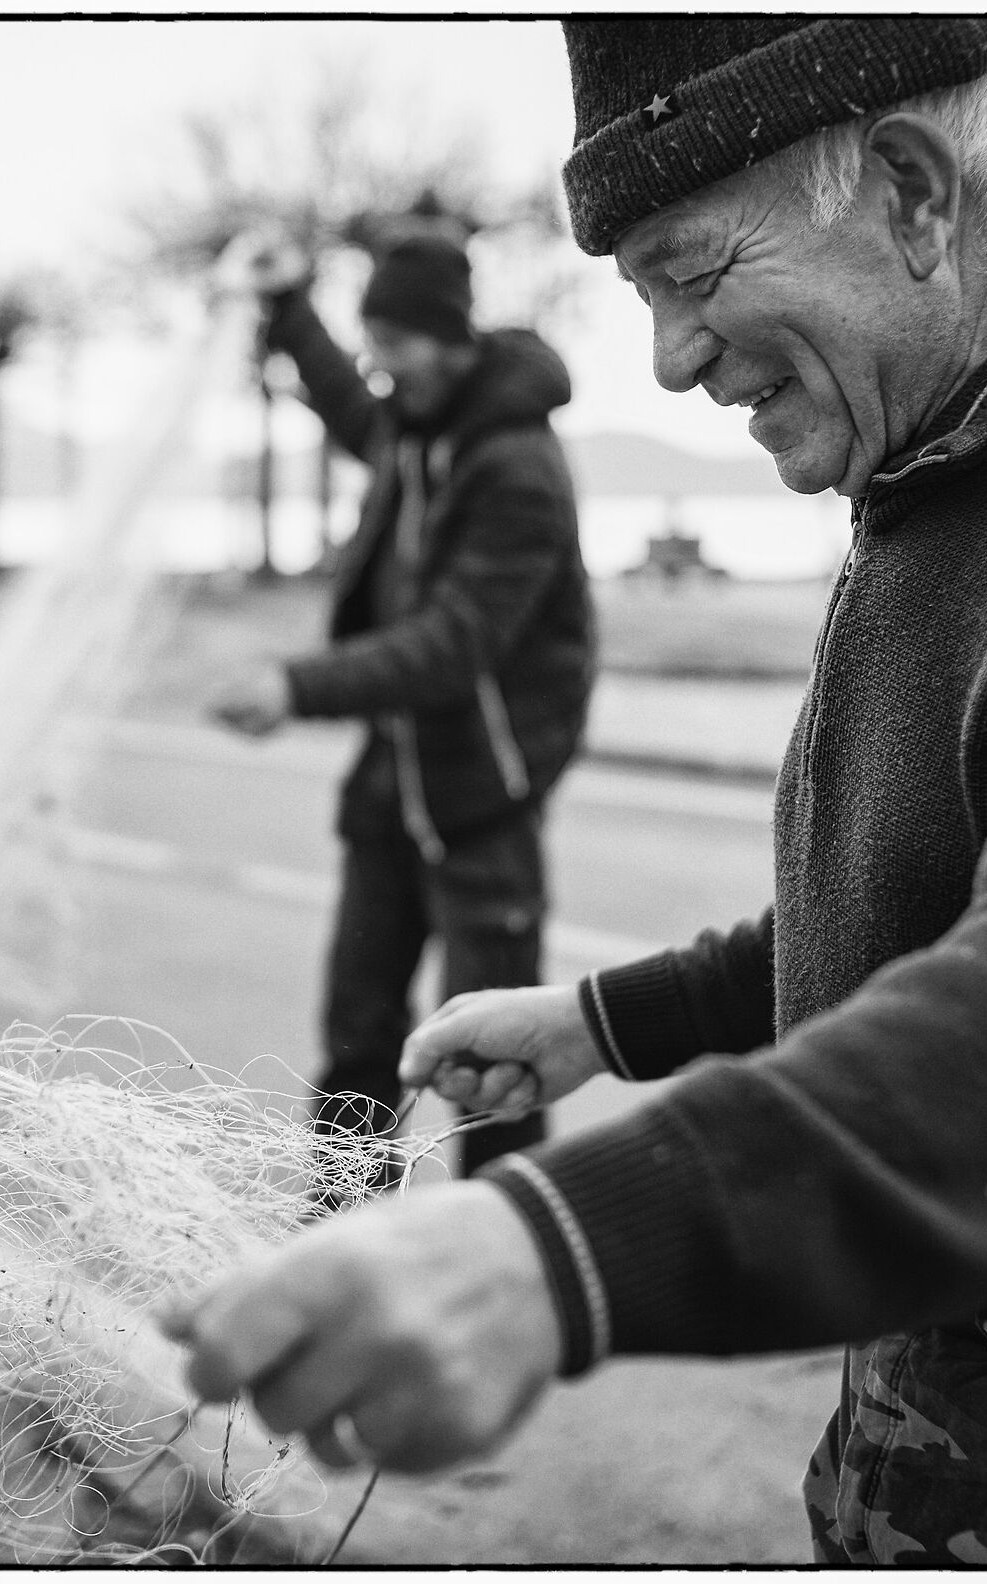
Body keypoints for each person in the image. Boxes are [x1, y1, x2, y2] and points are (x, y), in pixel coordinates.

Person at [165, 17, 987, 1567]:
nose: (668, 359)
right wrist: (611, 1019)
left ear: (912, 194)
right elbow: (946, 903)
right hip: (954, 1398)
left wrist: (559, 1249)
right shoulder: (948, 452)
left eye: (690, 275)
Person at [204, 227, 596, 1193]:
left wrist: (297, 685)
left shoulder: (516, 468)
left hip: (483, 801)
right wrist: (291, 305)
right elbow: (344, 398)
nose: (378, 363)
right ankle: (337, 1254)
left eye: (396, 341)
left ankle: (498, 1269)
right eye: (371, 338)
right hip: (390, 791)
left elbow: (456, 643)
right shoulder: (410, 429)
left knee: (490, 1070)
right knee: (359, 1042)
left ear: (450, 339)